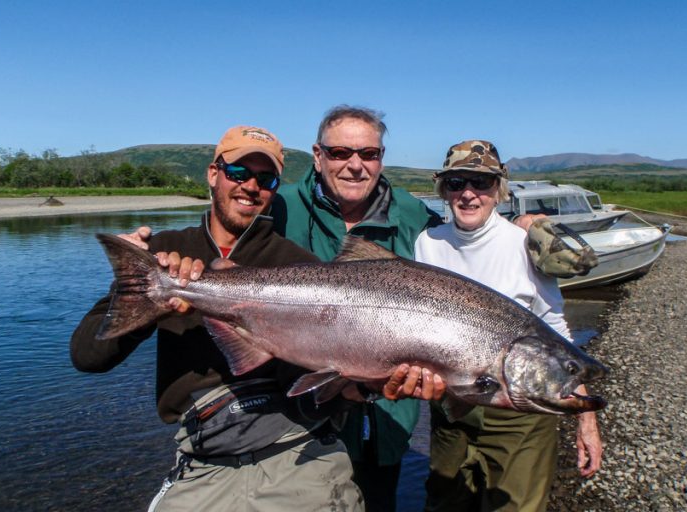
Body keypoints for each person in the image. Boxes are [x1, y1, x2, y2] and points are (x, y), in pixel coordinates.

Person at [70, 125, 438, 512]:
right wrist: (144, 295)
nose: (250, 187)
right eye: (239, 173)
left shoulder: (300, 267)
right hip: (204, 461)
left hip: (295, 450)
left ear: (276, 187)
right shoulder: (164, 254)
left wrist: (370, 385)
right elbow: (88, 356)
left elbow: (310, 397)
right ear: (214, 174)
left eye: (266, 179)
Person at [270, 105, 447, 511]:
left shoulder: (411, 213)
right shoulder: (280, 209)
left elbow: (466, 243)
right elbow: (224, 239)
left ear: (381, 157)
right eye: (340, 153)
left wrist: (524, 229)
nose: (355, 165)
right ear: (318, 155)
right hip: (299, 417)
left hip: (386, 418)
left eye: (369, 154)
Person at [414, 140, 603, 512]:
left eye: (481, 183)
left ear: (498, 190)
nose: (468, 194)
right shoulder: (428, 243)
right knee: (446, 504)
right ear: (444, 189)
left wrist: (586, 419)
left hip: (519, 416)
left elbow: (556, 328)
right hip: (451, 409)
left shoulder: (523, 245)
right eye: (456, 183)